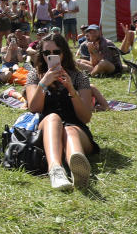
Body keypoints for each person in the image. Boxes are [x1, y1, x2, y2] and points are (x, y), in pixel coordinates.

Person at [25, 33, 96, 191]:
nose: (51, 56)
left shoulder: (79, 77)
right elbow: (34, 108)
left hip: (76, 127)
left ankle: (77, 167)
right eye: (46, 53)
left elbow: (85, 117)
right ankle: (56, 170)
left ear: (64, 52)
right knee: (53, 118)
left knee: (70, 130)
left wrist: (71, 89)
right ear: (41, 55)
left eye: (56, 52)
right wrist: (44, 83)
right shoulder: (34, 76)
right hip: (48, 128)